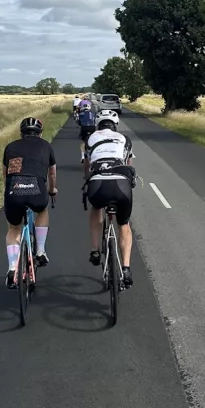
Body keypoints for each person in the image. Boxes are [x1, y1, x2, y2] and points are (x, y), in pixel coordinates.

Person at [83, 109, 136, 287]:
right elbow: (129, 166)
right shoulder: (125, 139)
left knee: (96, 208)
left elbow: (87, 166)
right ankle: (126, 268)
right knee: (124, 225)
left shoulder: (89, 140)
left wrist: (87, 180)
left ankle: (95, 250)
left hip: (98, 185)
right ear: (115, 125)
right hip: (121, 185)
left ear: (98, 124)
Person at [2, 117, 57, 289]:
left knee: (14, 228)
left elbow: (6, 175)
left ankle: (12, 267)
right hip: (36, 189)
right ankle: (40, 250)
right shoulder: (46, 146)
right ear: (40, 133)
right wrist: (52, 190)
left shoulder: (10, 147)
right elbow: (52, 174)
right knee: (42, 210)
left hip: (14, 189)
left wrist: (10, 191)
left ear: (21, 133)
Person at [77, 95, 96, 160]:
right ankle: (93, 155)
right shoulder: (93, 113)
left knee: (83, 142)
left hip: (84, 128)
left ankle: (82, 156)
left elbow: (79, 122)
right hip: (92, 127)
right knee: (93, 142)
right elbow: (95, 120)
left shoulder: (81, 114)